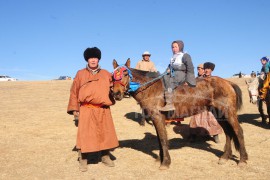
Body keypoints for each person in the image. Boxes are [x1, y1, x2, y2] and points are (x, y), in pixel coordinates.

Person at [67, 47, 119, 172]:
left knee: (105, 133)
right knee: (85, 135)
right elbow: (74, 92)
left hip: (103, 109)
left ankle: (105, 156)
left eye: (95, 58)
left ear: (98, 59)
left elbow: (114, 89)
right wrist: (75, 109)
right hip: (86, 109)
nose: (93, 60)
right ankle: (83, 159)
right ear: (87, 59)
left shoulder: (106, 74)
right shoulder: (80, 74)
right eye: (91, 58)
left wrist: (118, 92)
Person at [189, 62, 223, 143]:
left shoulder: (214, 79)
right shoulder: (198, 79)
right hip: (199, 102)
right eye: (198, 69)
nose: (199, 70)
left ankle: (215, 135)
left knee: (212, 118)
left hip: (210, 103)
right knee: (195, 118)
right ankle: (193, 135)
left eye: (200, 69)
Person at [159, 40, 196, 111]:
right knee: (163, 79)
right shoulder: (173, 57)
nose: (174, 49)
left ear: (180, 47)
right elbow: (169, 67)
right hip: (174, 74)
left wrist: (188, 81)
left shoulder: (185, 56)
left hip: (181, 74)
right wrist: (165, 72)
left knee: (170, 83)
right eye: (172, 47)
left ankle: (169, 104)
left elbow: (190, 68)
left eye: (176, 47)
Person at [135, 51, 157, 125]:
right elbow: (135, 72)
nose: (146, 57)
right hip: (141, 82)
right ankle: (143, 119)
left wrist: (154, 71)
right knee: (142, 101)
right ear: (143, 56)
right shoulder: (139, 63)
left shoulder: (152, 63)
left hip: (148, 81)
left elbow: (154, 70)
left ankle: (149, 117)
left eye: (148, 55)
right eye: (145, 55)